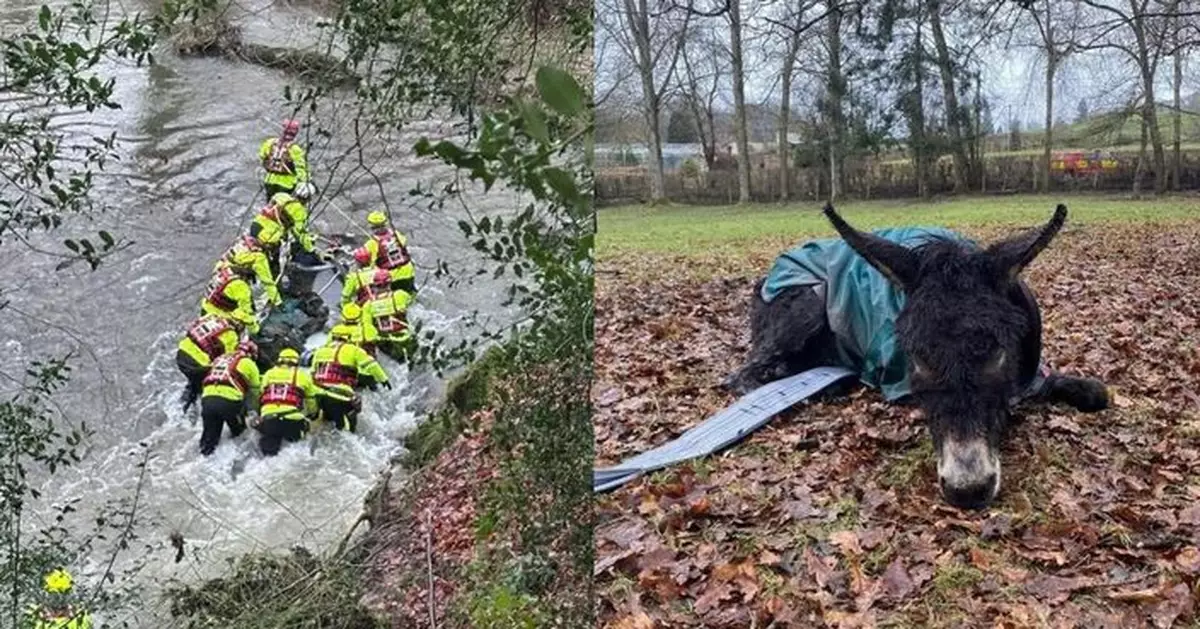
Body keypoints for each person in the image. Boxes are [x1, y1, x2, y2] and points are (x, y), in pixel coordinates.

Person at [309, 332, 390, 433]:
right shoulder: (353, 350)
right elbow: (371, 365)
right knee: (348, 424)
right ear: (347, 340)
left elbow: (312, 374)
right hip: (341, 395)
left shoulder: (319, 351)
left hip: (319, 395)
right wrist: (383, 379)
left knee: (326, 424)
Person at [256, 347, 326, 456]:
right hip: (293, 421)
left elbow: (261, 396)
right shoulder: (303, 376)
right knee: (298, 449)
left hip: (270, 420)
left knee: (268, 455)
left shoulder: (268, 374)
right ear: (296, 362)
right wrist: (313, 415)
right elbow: (311, 401)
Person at [198, 339, 262, 455]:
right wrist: (256, 411)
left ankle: (204, 457)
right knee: (240, 434)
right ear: (252, 354)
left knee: (209, 439)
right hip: (229, 402)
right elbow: (255, 392)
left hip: (207, 399)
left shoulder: (220, 359)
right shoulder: (249, 363)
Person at [176, 313, 241, 413]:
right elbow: (227, 360)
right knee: (207, 387)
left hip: (182, 353)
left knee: (193, 381)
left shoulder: (213, 317)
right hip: (198, 364)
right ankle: (192, 413)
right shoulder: (232, 335)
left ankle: (182, 403)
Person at [351, 211, 415, 292]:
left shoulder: (372, 243)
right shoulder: (396, 234)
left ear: (372, 226)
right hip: (408, 271)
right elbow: (404, 244)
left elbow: (368, 262)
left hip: (391, 277)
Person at [214, 232, 282, 307]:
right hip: (234, 281)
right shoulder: (259, 258)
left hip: (219, 275)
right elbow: (267, 281)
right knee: (245, 303)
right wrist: (277, 302)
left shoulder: (245, 240)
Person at [200, 251, 260, 334]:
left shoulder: (223, 269)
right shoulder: (241, 287)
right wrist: (255, 329)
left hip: (205, 308)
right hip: (221, 318)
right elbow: (245, 313)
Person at [259, 119, 309, 197]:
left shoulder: (269, 143)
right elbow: (301, 168)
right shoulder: (295, 149)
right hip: (287, 184)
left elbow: (262, 156)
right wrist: (306, 181)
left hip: (269, 181)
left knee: (270, 204)